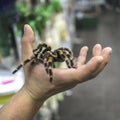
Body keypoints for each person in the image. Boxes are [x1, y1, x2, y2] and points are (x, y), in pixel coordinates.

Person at [0, 24, 112, 120]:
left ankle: (63, 65)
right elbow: (39, 52)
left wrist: (70, 65)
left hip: (54, 57)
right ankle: (20, 68)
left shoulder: (55, 54)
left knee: (55, 51)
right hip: (43, 58)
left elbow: (63, 52)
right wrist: (34, 89)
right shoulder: (41, 55)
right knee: (43, 52)